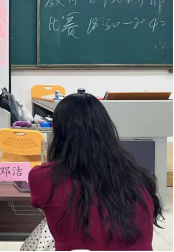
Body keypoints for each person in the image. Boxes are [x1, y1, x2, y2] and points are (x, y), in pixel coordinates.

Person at [26, 92, 163, 251]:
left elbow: (47, 211)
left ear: (59, 134)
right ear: (106, 129)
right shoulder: (141, 177)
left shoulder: (42, 177)